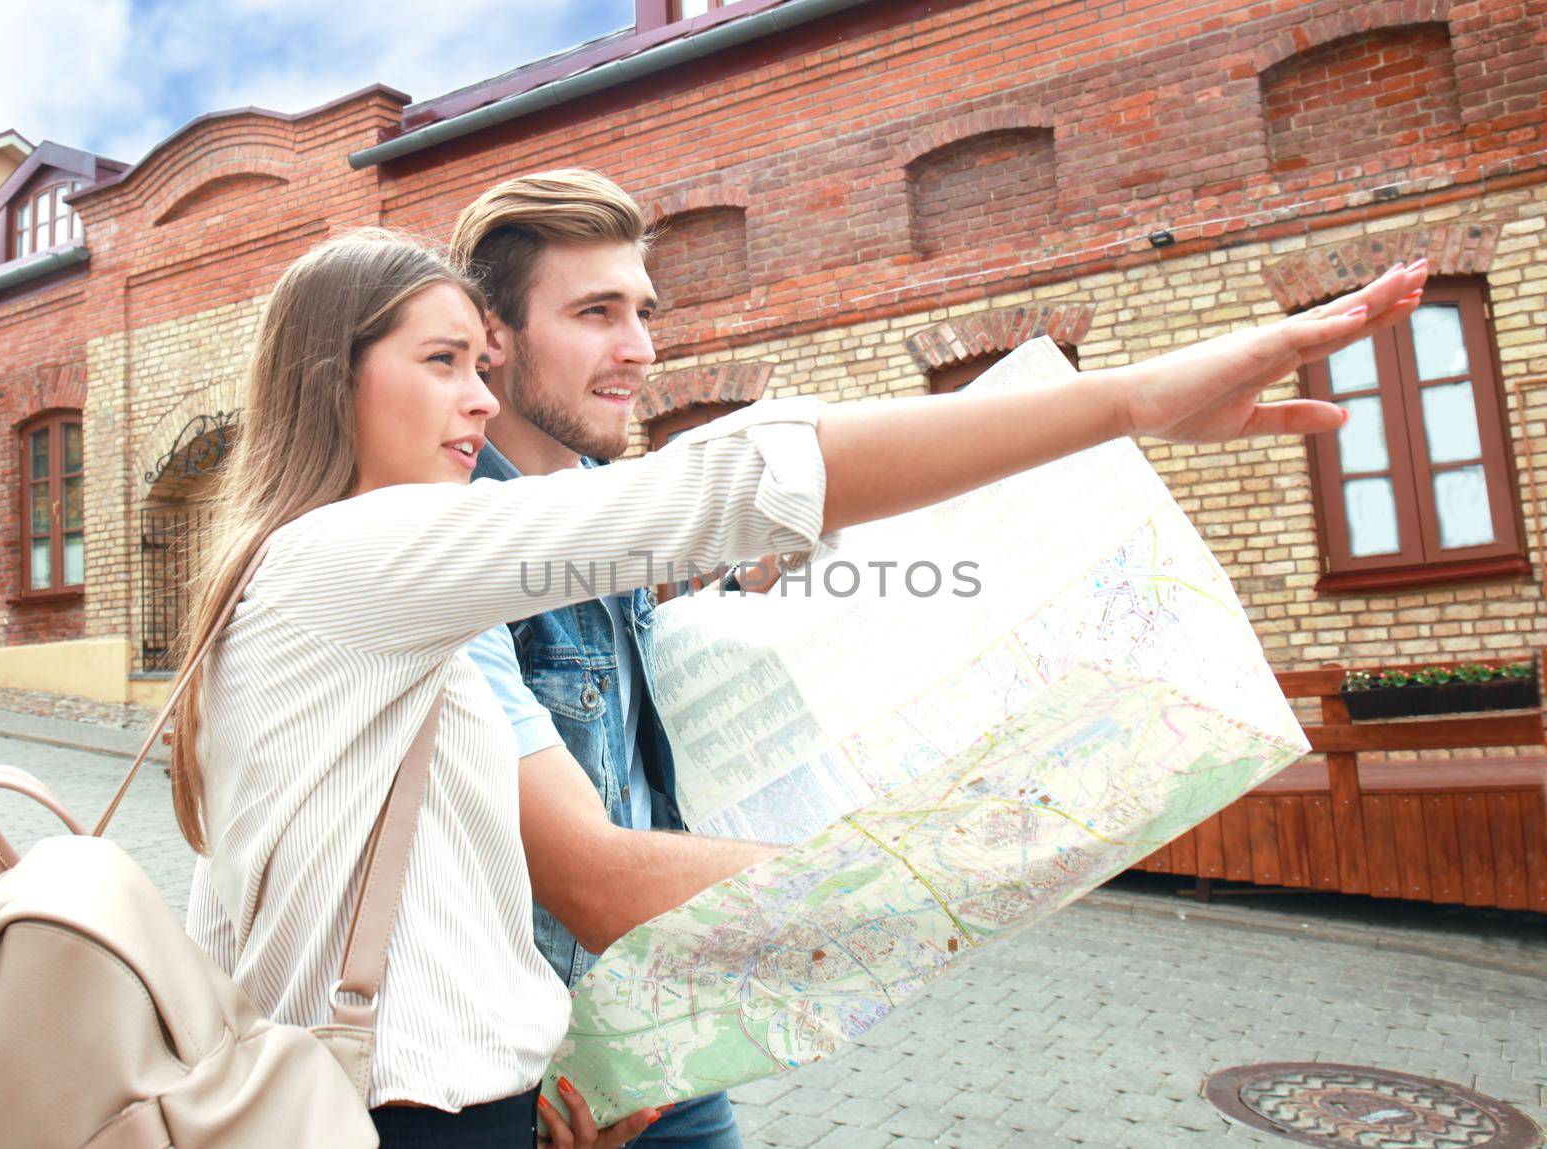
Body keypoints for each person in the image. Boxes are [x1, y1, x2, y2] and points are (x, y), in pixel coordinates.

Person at [175, 222, 1425, 1149]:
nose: (479, 399)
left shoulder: (314, 585)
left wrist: (557, 1046)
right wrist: (1132, 400)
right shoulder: (349, 556)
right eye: (444, 361)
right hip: (408, 1114)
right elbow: (726, 485)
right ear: (331, 376)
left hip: (433, 1096)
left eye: (483, 367)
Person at [453, 171, 778, 1148]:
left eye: (641, 311)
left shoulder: (609, 501)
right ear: (491, 336)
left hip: (657, 1034)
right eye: (596, 312)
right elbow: (578, 873)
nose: (637, 348)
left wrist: (744, 599)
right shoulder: (455, 541)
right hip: (537, 1077)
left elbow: (619, 725)